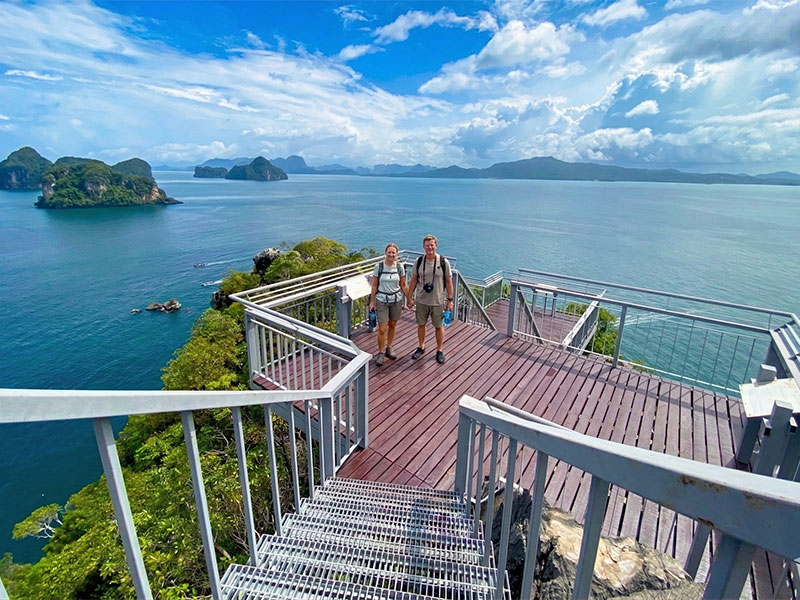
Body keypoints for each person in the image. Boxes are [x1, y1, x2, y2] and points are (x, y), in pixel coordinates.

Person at [407, 234, 453, 364]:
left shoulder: (443, 262)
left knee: (439, 326)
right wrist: (409, 298)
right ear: (423, 247)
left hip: (438, 301)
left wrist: (449, 300)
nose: (430, 247)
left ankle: (439, 350)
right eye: (427, 245)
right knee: (421, 324)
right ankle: (421, 346)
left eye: (432, 245)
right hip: (421, 300)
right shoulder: (419, 262)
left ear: (436, 246)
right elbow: (414, 280)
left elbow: (449, 281)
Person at [368, 242, 411, 366]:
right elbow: (374, 285)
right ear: (385, 253)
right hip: (382, 300)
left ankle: (389, 347)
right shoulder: (379, 267)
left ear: (396, 254)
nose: (391, 254)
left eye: (393, 252)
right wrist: (372, 301)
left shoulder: (399, 267)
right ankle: (381, 353)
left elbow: (403, 284)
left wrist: (409, 298)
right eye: (389, 252)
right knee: (382, 328)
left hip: (396, 300)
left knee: (392, 324)